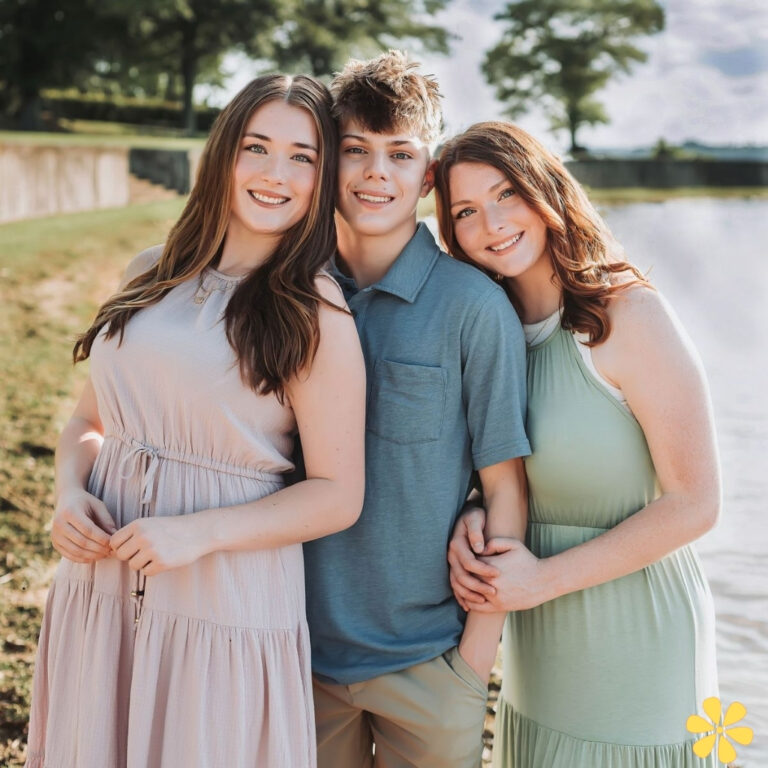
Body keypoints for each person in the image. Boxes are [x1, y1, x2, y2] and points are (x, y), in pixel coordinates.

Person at [25, 74, 366, 768]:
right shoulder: (148, 271)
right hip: (102, 583)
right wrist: (68, 494)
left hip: (221, 600)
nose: (277, 174)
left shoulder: (314, 310)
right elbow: (91, 420)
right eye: (258, 147)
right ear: (222, 156)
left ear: (322, 176)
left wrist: (198, 534)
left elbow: (339, 493)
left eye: (302, 157)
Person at [434, 121, 720, 767]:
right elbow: (513, 476)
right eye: (466, 211)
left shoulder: (628, 314)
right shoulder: (491, 334)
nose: (493, 222)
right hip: (537, 642)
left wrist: (541, 581)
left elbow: (697, 503)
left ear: (545, 189)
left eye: (507, 193)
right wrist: (478, 512)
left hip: (638, 637)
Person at [301, 52, 530, 768]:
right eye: (356, 151)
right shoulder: (293, 295)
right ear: (329, 163)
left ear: (426, 174)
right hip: (296, 654)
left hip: (431, 666)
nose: (377, 174)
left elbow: (504, 492)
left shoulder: (474, 306)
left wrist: (472, 664)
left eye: (400, 154)